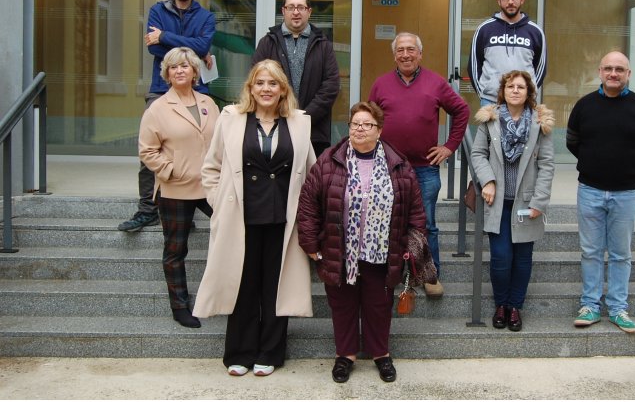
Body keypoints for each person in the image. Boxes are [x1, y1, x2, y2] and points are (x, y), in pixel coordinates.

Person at [192, 60, 316, 377]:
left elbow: (311, 173)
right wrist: (218, 202)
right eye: (260, 83)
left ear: (283, 89)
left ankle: (270, 352)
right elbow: (211, 168)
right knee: (243, 285)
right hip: (241, 218)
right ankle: (240, 352)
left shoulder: (300, 122)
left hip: (283, 220)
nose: (266, 89)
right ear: (250, 87)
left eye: (273, 83)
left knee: (276, 287)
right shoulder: (231, 119)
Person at [297, 101, 427, 384]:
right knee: (342, 305)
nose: (360, 129)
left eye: (367, 124)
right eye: (355, 123)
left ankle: (380, 354)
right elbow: (308, 205)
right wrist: (310, 243)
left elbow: (416, 211)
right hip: (340, 250)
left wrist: (413, 246)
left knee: (379, 306)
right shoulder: (329, 160)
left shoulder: (399, 165)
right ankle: (345, 355)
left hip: (383, 252)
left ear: (379, 131)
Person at [566, 51, 635, 333]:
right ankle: (590, 306)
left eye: (620, 69)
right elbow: (573, 142)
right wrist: (595, 163)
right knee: (591, 251)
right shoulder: (584, 106)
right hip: (590, 190)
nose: (613, 73)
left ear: (628, 74)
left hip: (627, 192)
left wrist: (629, 166)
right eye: (608, 68)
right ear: (600, 72)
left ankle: (619, 308)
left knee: (621, 253)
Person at [368, 32, 469, 297]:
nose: (405, 54)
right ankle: (390, 273)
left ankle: (429, 275)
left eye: (411, 49)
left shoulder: (436, 83)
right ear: (394, 55)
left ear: (420, 54)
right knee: (387, 221)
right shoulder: (380, 85)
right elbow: (369, 120)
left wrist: (449, 146)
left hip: (425, 168)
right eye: (400, 50)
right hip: (388, 168)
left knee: (426, 223)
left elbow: (461, 111)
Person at [120, 0, 217, 232]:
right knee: (151, 152)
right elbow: (155, 50)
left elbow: (203, 45)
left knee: (199, 148)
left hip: (198, 90)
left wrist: (164, 36)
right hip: (161, 89)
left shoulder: (206, 16)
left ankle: (187, 207)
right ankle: (147, 210)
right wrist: (192, 49)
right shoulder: (157, 10)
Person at [138, 47, 220, 329]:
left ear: (195, 71)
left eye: (185, 66)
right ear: (167, 74)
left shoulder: (209, 103)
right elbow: (147, 151)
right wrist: (172, 170)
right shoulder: (158, 109)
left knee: (234, 233)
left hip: (210, 186)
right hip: (175, 189)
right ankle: (180, 306)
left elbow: (221, 142)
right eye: (173, 67)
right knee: (175, 249)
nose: (179, 70)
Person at [470, 71, 555, 332]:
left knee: (522, 258)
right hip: (497, 201)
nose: (515, 90)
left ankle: (515, 306)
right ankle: (501, 304)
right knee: (501, 257)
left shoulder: (540, 123)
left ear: (528, 92)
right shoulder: (489, 120)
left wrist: (539, 201)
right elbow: (478, 154)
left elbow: (547, 164)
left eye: (520, 86)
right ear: (503, 91)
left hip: (526, 203)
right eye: (510, 86)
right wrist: (488, 181)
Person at [252, 0, 340, 157]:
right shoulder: (267, 43)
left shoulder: (323, 45)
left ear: (309, 11)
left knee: (311, 173)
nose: (296, 12)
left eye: (301, 7)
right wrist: (280, 114)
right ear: (283, 11)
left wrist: (304, 117)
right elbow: (256, 80)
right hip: (273, 126)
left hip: (313, 131)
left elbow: (331, 86)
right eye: (291, 7)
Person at [469, 0, 547, 106]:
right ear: (499, 1)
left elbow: (540, 68)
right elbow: (474, 66)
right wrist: (483, 92)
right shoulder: (484, 29)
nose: (510, 1)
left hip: (523, 103)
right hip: (491, 101)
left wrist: (528, 93)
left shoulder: (535, 32)